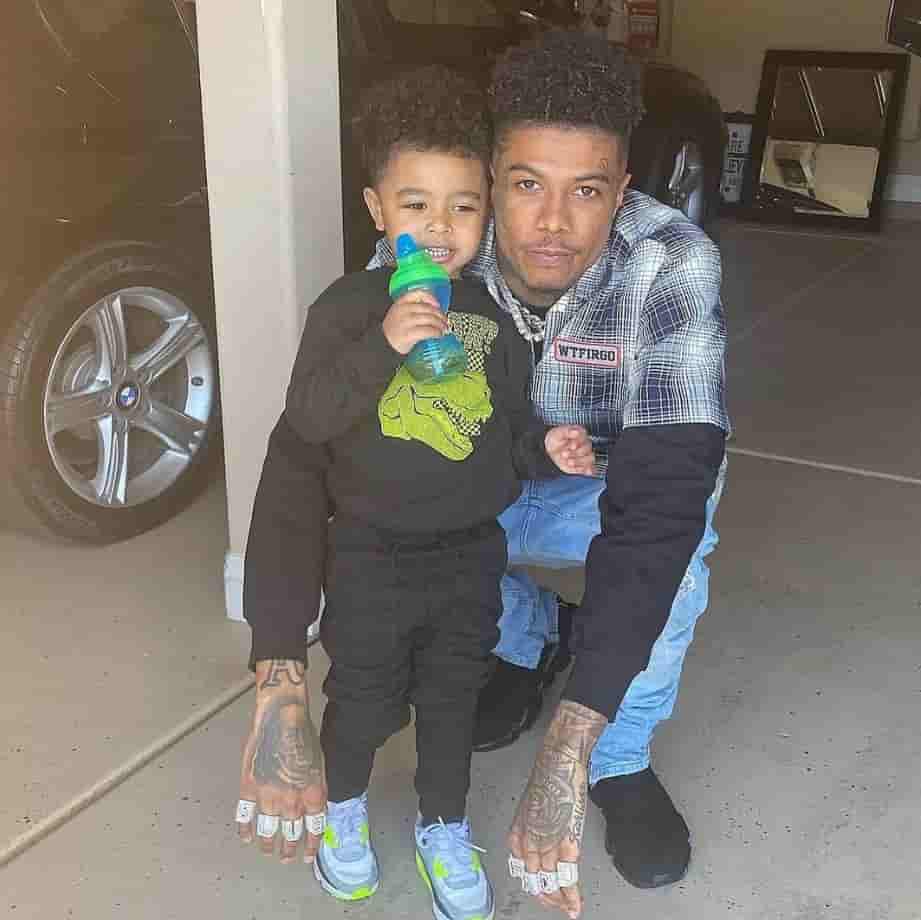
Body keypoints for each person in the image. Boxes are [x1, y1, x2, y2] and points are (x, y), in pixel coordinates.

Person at [237, 29, 729, 920]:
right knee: (396, 521)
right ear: (491, 179)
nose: (553, 223)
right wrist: (278, 674)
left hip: (593, 488)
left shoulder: (671, 261)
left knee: (683, 546)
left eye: (587, 190)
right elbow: (305, 457)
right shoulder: (422, 258)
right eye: (527, 185)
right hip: (468, 494)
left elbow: (662, 502)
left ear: (622, 189)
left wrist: (569, 746)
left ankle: (616, 757)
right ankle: (533, 639)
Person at [238, 65, 594, 920]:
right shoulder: (348, 308)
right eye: (415, 204)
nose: (439, 227)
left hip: (468, 553)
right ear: (376, 210)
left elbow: (504, 435)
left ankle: (443, 825)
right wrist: (384, 344)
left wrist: (547, 450)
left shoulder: (493, 321)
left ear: (485, 214)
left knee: (451, 699)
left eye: (462, 206)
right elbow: (309, 417)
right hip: (368, 552)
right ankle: (343, 809)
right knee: (362, 697)